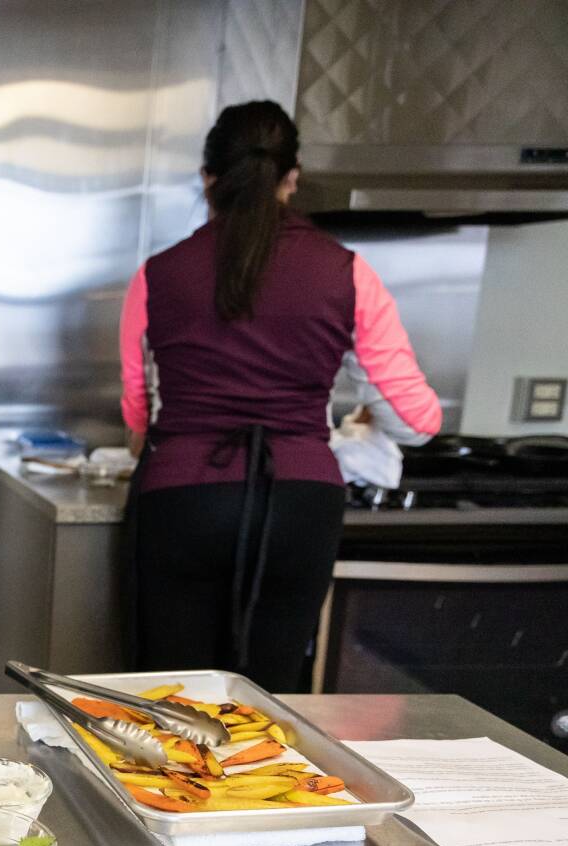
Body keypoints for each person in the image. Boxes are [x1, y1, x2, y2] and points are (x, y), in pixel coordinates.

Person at [118, 100, 441, 693]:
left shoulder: (157, 274)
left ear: (208, 179)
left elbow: (139, 408)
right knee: (269, 694)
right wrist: (367, 416)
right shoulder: (347, 272)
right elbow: (419, 420)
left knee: (170, 695)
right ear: (292, 179)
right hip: (297, 505)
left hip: (182, 500)